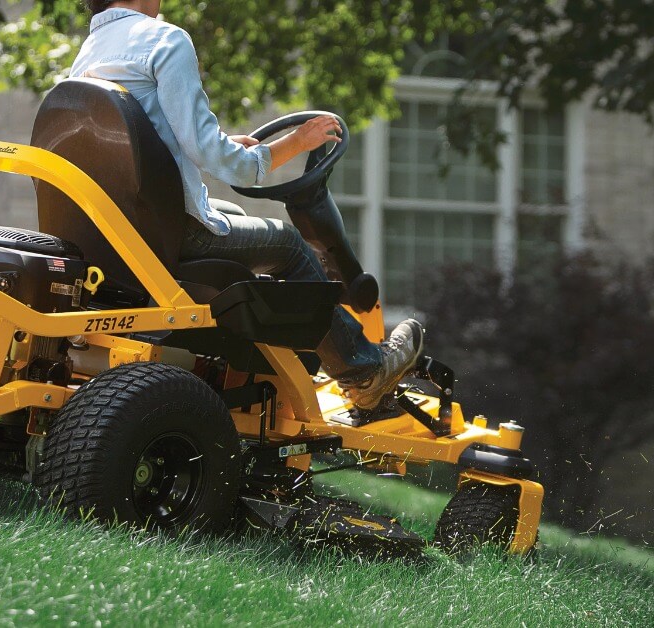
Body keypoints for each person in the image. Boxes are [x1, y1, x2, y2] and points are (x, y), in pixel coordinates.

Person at [70, 0, 423, 411]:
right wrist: (294, 144)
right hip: (169, 233)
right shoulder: (164, 40)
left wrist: (225, 145)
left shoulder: (90, 52)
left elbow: (140, 139)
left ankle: (259, 361)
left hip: (117, 232)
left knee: (235, 215)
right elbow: (213, 156)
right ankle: (362, 368)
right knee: (288, 244)